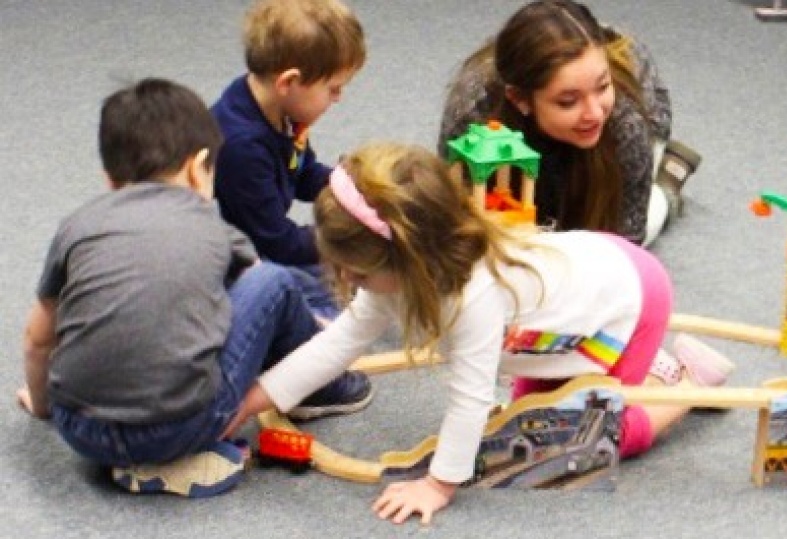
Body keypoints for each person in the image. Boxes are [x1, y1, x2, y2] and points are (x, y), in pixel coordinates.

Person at [224, 142, 733, 525]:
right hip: (574, 306)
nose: (346, 280)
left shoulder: (474, 298)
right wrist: (252, 400)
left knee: (594, 437)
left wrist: (439, 485)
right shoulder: (407, 266)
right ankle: (651, 364)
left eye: (356, 272)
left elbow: (470, 397)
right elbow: (337, 344)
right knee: (526, 419)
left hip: (632, 301)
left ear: (407, 260)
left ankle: (689, 382)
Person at [15, 78, 368, 498]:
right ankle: (321, 390)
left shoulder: (77, 226)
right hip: (177, 427)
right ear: (198, 167)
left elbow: (38, 338)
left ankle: (149, 459)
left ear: (109, 178)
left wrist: (43, 406)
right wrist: (317, 341)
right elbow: (263, 297)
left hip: (80, 429)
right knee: (274, 281)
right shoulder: (213, 229)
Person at [437, 0, 701, 247]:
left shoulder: (625, 125)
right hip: (524, 139)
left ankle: (667, 187)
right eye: (568, 101)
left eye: (602, 86)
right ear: (519, 99)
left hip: (625, 138)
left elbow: (625, 247)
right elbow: (454, 226)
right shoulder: (471, 113)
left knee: (628, 226)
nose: (595, 113)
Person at [211, 0, 366, 323]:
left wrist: (350, 187)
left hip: (264, 242)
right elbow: (278, 242)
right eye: (333, 88)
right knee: (319, 296)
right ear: (288, 83)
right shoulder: (242, 147)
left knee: (344, 273)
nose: (339, 98)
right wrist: (345, 240)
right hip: (234, 263)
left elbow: (302, 172)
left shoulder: (281, 111)